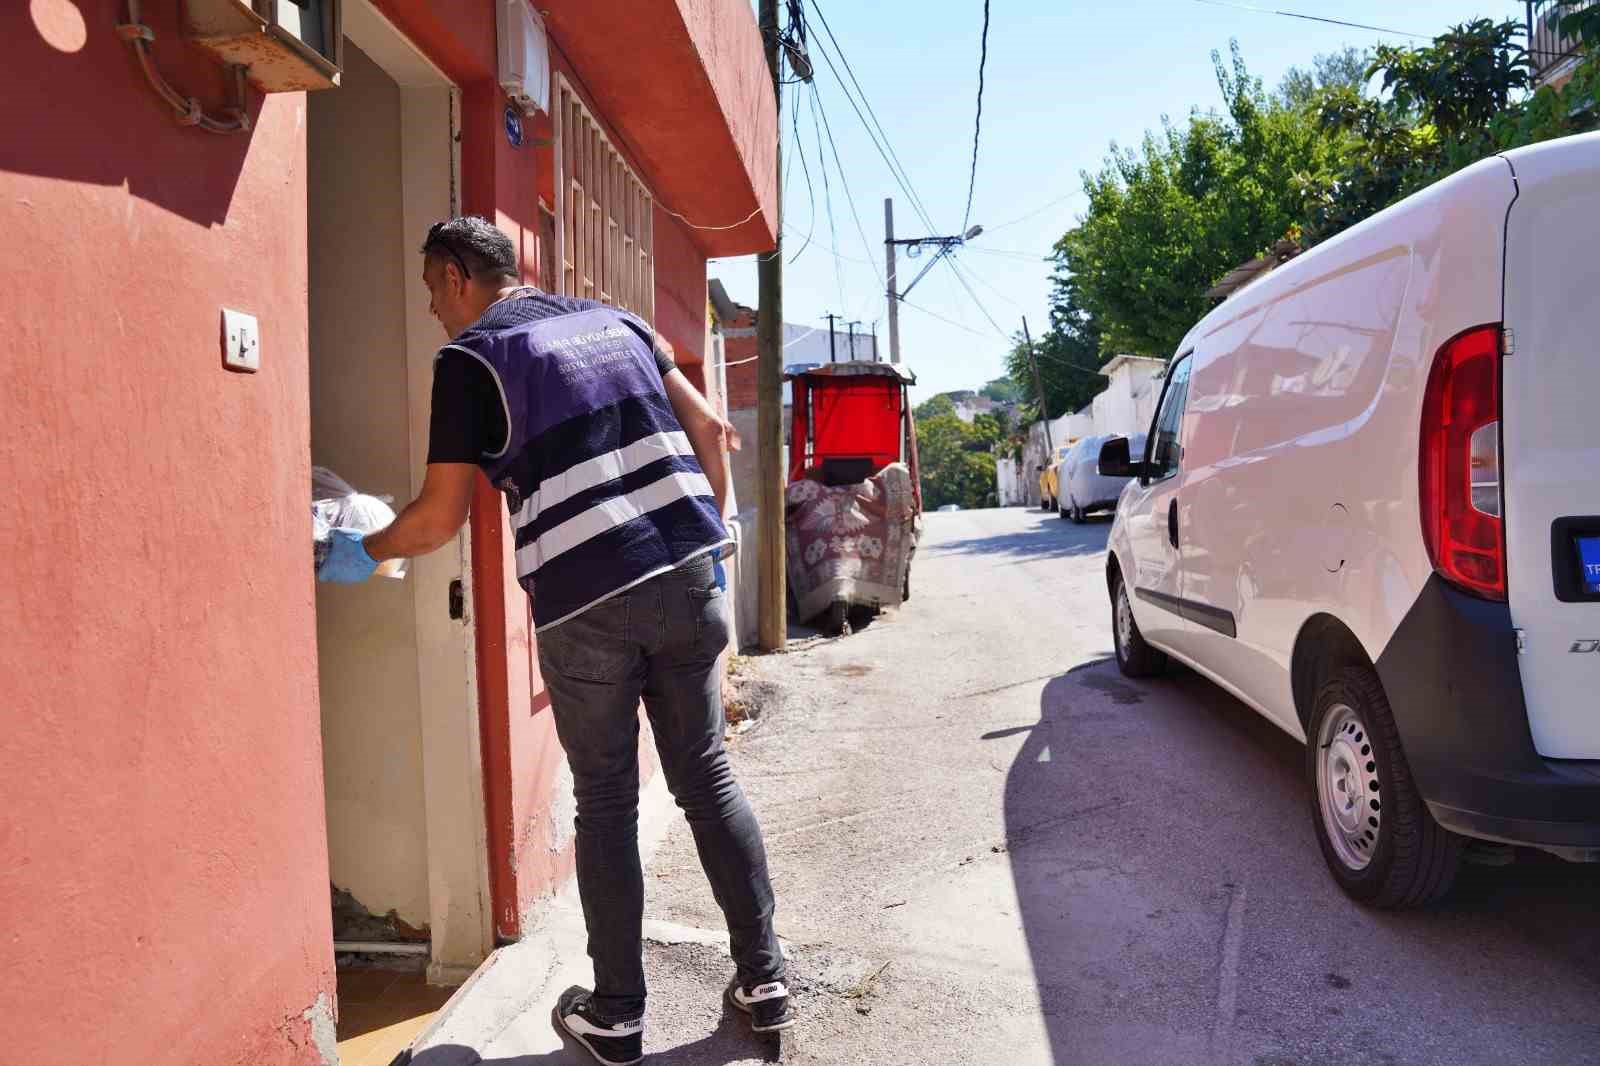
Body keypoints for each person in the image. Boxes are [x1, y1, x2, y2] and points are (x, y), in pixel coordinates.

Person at [317, 216, 791, 1065]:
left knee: (607, 804)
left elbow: (436, 521)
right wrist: (708, 538)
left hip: (586, 601)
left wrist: (355, 549)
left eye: (433, 291)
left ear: (460, 275)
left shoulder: (471, 363)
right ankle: (764, 976)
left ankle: (616, 1016)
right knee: (707, 779)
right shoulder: (622, 322)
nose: (434, 312)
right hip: (687, 573)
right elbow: (716, 429)